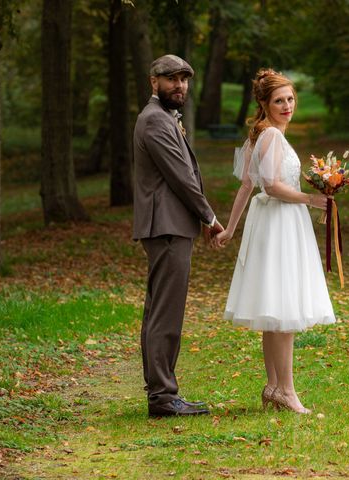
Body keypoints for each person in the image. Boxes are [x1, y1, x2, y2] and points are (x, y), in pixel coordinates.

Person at [213, 68, 335, 414]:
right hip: (280, 221)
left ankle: (274, 388)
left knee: (276, 310)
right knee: (284, 309)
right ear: (264, 104)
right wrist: (312, 200)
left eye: (291, 99)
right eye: (279, 100)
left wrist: (231, 229)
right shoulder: (271, 137)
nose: (287, 106)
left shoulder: (261, 135)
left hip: (275, 221)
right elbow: (269, 186)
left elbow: (245, 186)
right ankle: (288, 391)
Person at [133, 54, 223, 417]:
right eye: (172, 79)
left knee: (159, 311)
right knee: (165, 314)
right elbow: (182, 178)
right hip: (167, 226)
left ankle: (161, 392)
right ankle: (163, 397)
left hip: (169, 225)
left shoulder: (162, 118)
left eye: (184, 79)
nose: (180, 85)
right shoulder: (155, 120)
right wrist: (210, 217)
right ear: (154, 82)